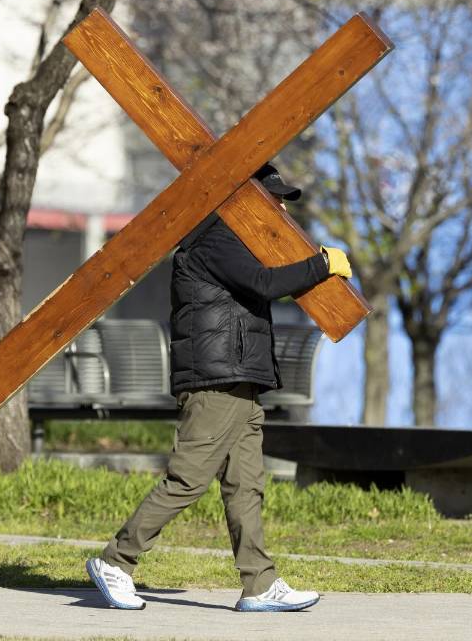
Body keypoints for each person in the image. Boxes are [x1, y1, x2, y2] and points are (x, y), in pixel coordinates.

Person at [86, 162, 353, 612]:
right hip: (216, 380)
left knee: (246, 484)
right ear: (246, 201)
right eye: (274, 198)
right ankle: (117, 561)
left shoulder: (236, 241)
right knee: (188, 479)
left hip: (240, 379)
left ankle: (259, 584)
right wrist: (321, 264)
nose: (282, 207)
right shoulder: (216, 238)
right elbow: (264, 285)